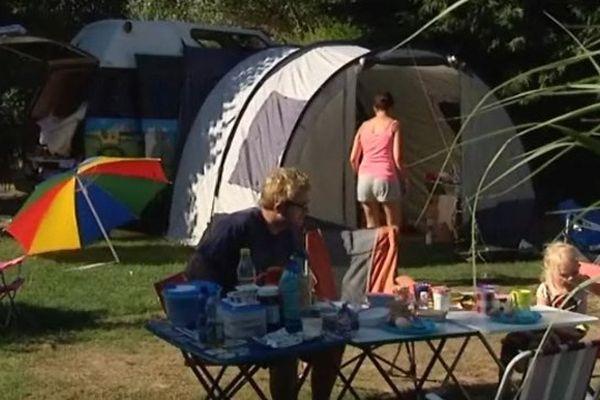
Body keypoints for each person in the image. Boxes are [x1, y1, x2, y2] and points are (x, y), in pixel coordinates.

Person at [185, 167, 342, 400]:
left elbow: (296, 275)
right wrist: (222, 307)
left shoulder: (292, 233)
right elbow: (196, 271)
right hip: (234, 320)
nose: (307, 212)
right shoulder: (237, 226)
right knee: (286, 352)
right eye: (302, 206)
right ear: (280, 206)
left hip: (275, 315)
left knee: (332, 344)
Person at [499, 242, 600, 370]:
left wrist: (589, 284)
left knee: (542, 342)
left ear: (578, 267)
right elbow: (543, 317)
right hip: (546, 328)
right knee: (513, 339)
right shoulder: (545, 289)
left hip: (570, 333)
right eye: (564, 275)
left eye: (574, 272)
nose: (570, 278)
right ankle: (506, 377)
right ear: (550, 271)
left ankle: (531, 372)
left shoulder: (580, 285)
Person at [349, 92, 405, 229]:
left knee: (371, 225)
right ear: (391, 108)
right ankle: (392, 250)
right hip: (386, 176)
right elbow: (397, 158)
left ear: (374, 108)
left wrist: (359, 173)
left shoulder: (363, 126)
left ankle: (374, 250)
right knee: (393, 226)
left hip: (365, 177)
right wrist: (403, 178)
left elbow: (353, 158)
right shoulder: (393, 125)